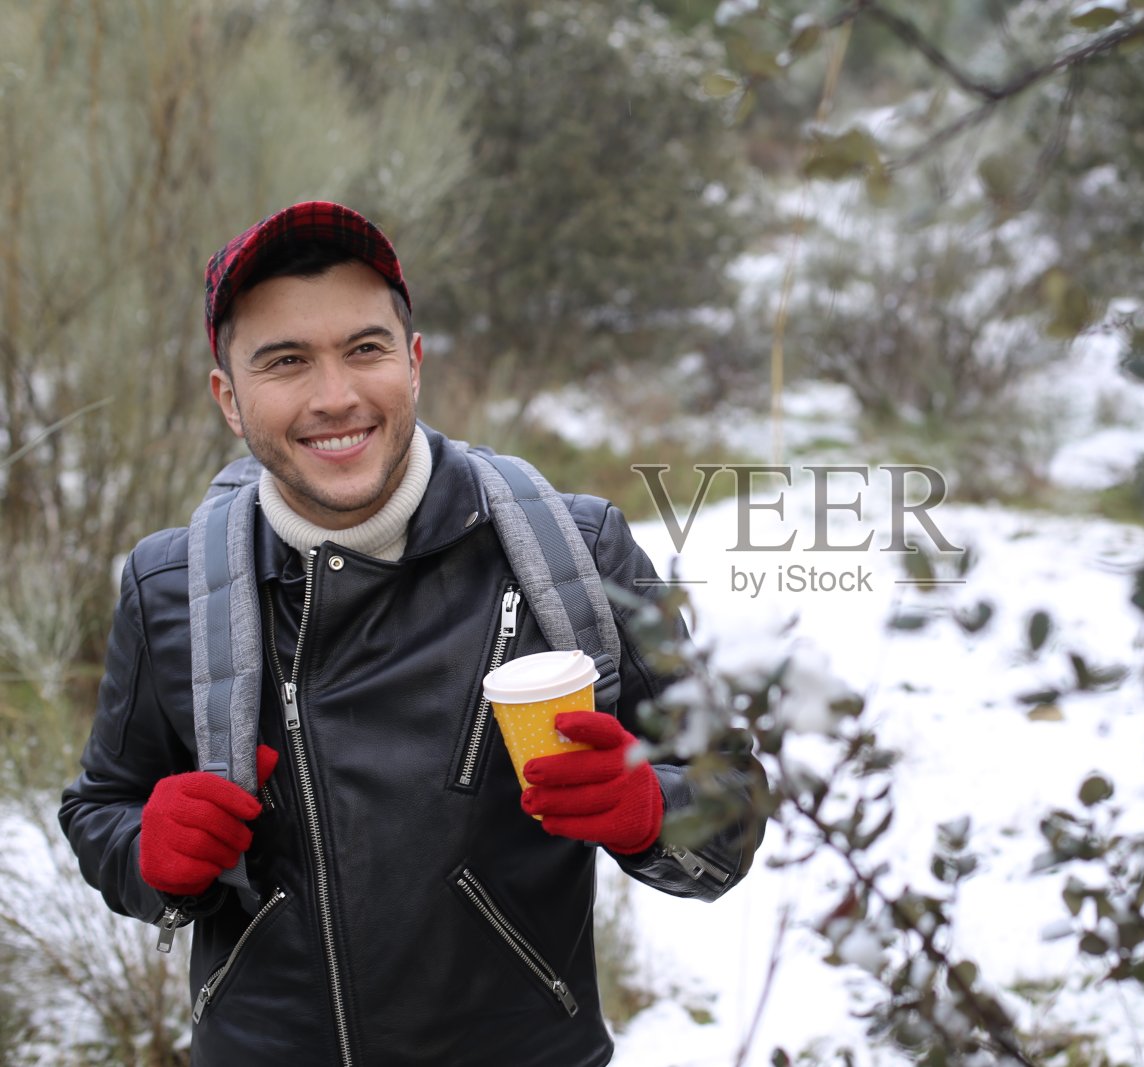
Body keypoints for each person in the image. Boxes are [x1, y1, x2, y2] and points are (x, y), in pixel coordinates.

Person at [58, 201, 767, 1066]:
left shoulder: (578, 551)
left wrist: (652, 811)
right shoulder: (168, 588)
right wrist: (149, 853)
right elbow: (100, 809)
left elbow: (732, 807)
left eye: (365, 348)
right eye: (286, 361)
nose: (336, 396)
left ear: (415, 361)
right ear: (229, 399)